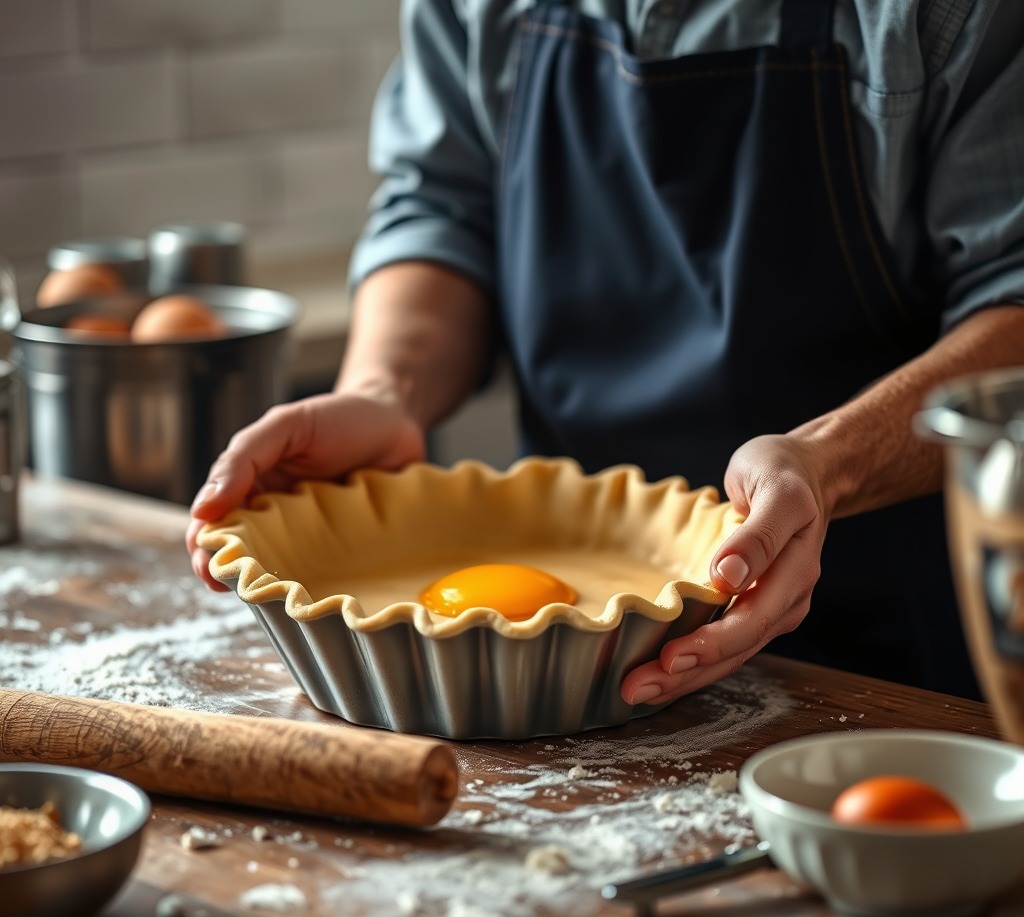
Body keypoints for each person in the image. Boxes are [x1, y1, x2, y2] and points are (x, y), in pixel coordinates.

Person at [188, 0, 1024, 705]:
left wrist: (824, 463)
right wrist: (385, 392)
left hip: (895, 666)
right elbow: (446, 205)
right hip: (541, 669)